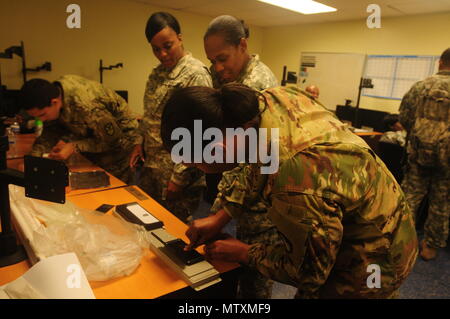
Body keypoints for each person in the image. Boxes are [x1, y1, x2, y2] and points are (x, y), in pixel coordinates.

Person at [160, 83, 418, 299]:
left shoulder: (295, 179)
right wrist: (223, 215)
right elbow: (257, 166)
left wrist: (244, 252)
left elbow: (309, 272)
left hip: (375, 259)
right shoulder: (266, 102)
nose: (196, 168)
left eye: (194, 161)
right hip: (375, 209)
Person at [202, 15, 279, 298]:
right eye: (212, 61)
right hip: (249, 186)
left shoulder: (258, 86)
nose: (218, 68)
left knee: (256, 275)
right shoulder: (236, 78)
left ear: (242, 45)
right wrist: (220, 215)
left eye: (222, 58)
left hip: (265, 194)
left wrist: (219, 215)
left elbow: (254, 163)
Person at [129, 12, 212, 222]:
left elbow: (201, 132)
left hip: (178, 171)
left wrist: (179, 177)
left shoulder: (196, 73)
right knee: (146, 221)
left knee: (174, 230)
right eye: (156, 49)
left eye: (168, 45)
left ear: (180, 38)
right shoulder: (157, 74)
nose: (163, 54)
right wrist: (140, 142)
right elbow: (149, 115)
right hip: (152, 168)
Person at [18, 75, 140, 183]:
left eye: (42, 115)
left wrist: (73, 147)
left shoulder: (87, 105)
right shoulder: (56, 94)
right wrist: (32, 161)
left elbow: (113, 141)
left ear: (54, 102)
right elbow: (50, 132)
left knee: (109, 188)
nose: (41, 120)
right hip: (94, 138)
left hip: (121, 145)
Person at [399, 48, 450, 261]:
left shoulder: (420, 86)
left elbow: (404, 116)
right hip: (447, 158)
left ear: (440, 63)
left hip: (418, 154)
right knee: (441, 202)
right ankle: (430, 247)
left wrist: (416, 137)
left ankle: (400, 242)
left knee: (409, 198)